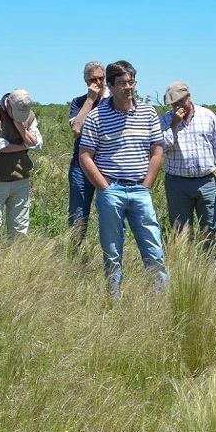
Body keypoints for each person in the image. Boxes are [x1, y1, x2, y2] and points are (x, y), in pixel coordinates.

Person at [77, 61, 166, 294]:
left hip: (140, 190)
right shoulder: (97, 117)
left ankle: (159, 297)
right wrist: (104, 188)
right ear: (110, 85)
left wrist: (146, 185)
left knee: (153, 249)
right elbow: (85, 155)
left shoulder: (148, 113)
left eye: (131, 82)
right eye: (122, 83)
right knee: (112, 251)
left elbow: (157, 151)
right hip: (112, 191)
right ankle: (114, 300)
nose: (128, 87)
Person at [159, 81, 216, 252]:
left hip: (206, 181)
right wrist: (174, 124)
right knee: (181, 230)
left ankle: (212, 266)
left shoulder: (207, 116)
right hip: (177, 183)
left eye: (180, 101)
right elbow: (162, 147)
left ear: (189, 97)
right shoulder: (166, 120)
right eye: (174, 104)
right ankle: (185, 267)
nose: (178, 106)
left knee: (211, 227)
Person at [0, 89, 43, 242]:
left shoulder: (28, 114)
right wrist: (24, 146)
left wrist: (20, 126)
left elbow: (38, 143)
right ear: (8, 104)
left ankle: (15, 263)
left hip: (21, 180)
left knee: (20, 230)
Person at [67, 61, 106, 245]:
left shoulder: (114, 100)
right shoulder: (79, 102)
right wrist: (90, 100)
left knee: (111, 211)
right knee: (78, 212)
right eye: (93, 79)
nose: (98, 83)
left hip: (108, 164)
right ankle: (75, 253)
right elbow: (76, 129)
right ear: (86, 81)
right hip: (82, 165)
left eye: (101, 78)